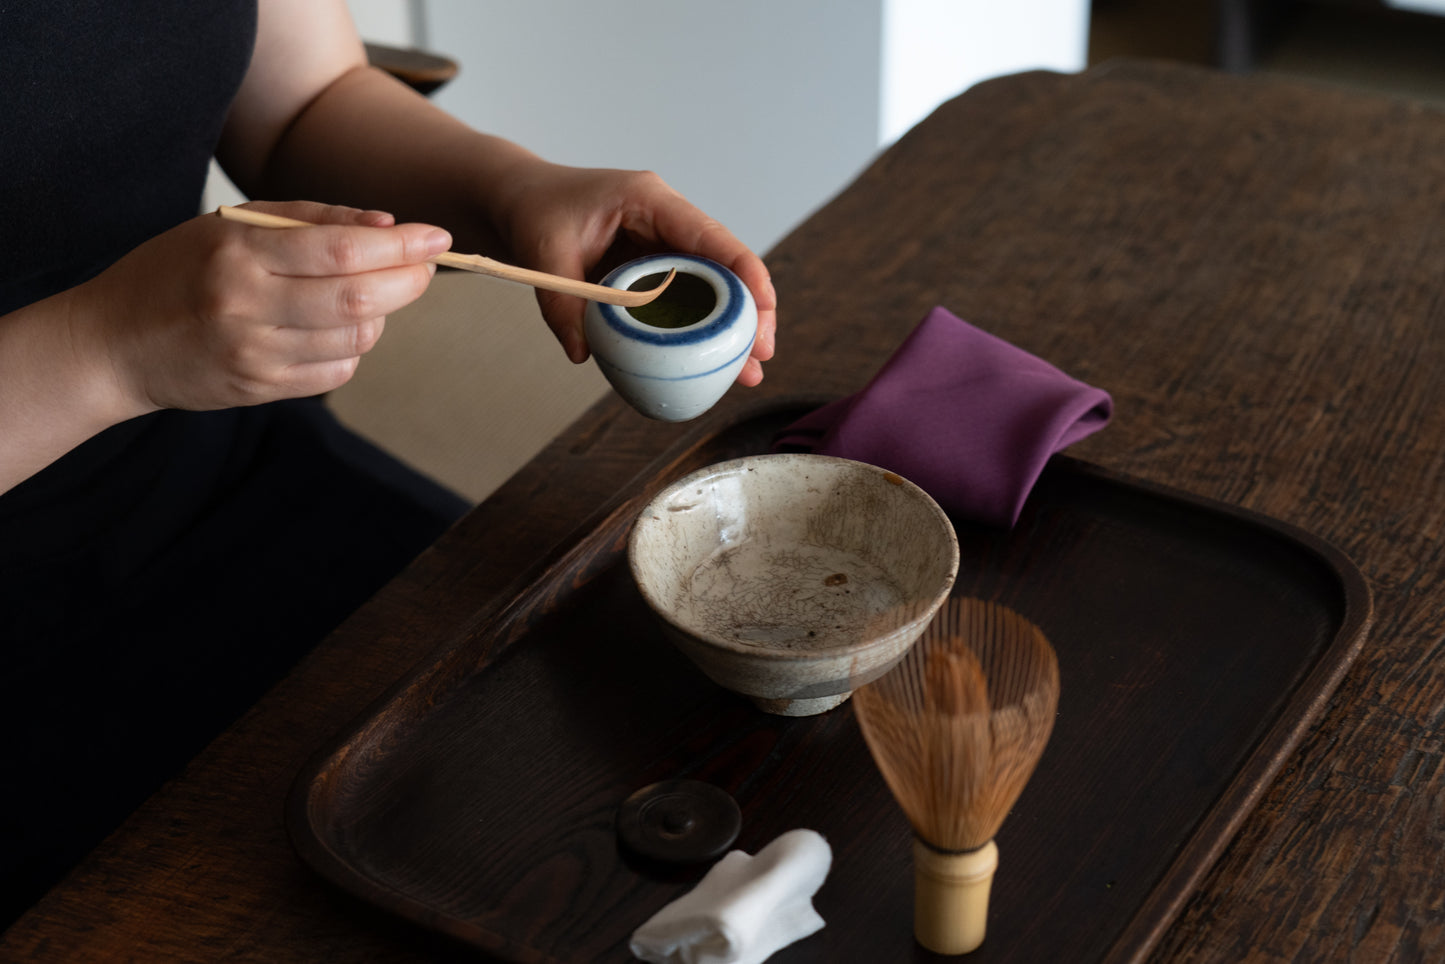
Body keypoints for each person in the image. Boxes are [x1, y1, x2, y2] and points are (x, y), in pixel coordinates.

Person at [0, 0, 777, 926]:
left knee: (635, 737)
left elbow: (304, 103)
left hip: (219, 472)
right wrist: (106, 348)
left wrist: (517, 191)